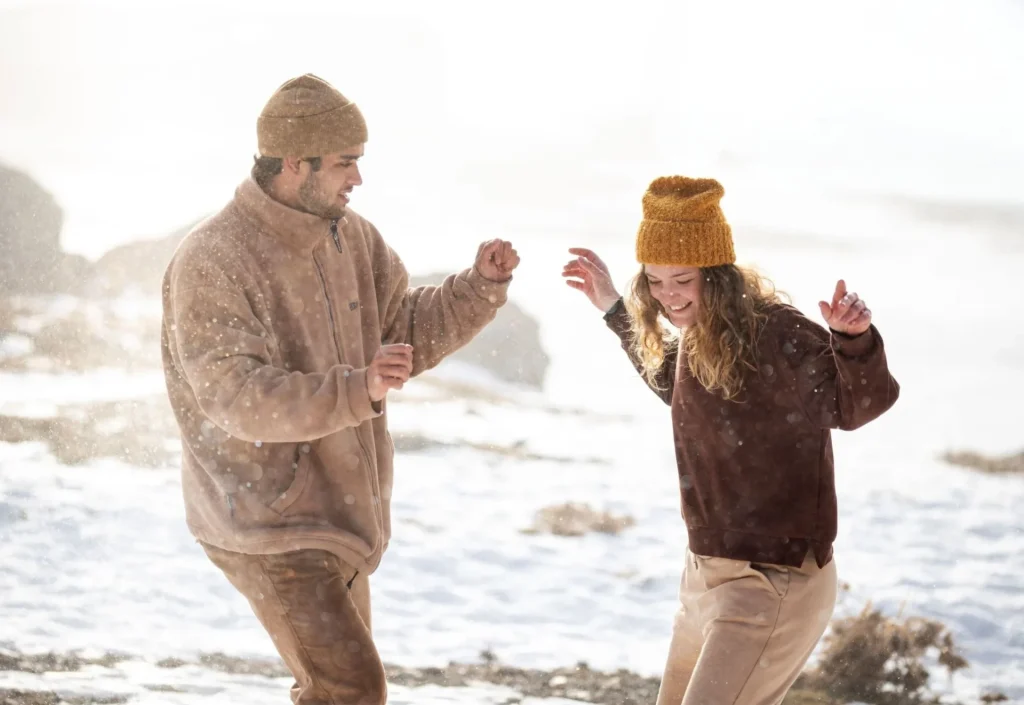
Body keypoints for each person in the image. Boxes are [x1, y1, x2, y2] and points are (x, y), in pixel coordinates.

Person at [160, 73, 520, 705]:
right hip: (269, 520)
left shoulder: (351, 236)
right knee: (350, 690)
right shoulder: (213, 257)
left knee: (341, 693)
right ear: (294, 163)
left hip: (341, 516)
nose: (357, 178)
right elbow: (236, 398)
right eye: (345, 164)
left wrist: (477, 288)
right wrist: (357, 389)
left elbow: (401, 332)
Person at [562, 176, 899, 705]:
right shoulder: (701, 335)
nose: (668, 297)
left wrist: (852, 341)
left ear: (716, 275)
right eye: (654, 281)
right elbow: (672, 381)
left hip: (771, 581)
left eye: (682, 280)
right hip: (703, 578)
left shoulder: (777, 333)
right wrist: (612, 308)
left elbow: (855, 406)